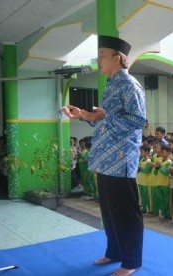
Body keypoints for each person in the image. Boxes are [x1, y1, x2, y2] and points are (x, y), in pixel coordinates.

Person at [61, 35, 145, 276]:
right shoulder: (111, 84)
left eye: (102, 57)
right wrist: (85, 115)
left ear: (117, 58)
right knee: (109, 212)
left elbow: (138, 121)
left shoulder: (130, 85)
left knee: (126, 212)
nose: (98, 61)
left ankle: (131, 261)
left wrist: (102, 116)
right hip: (104, 159)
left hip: (121, 160)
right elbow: (104, 120)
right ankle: (115, 252)